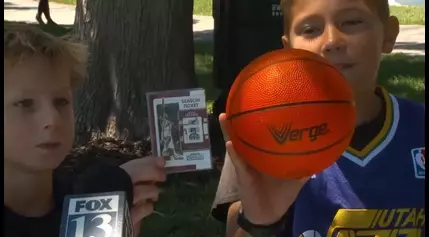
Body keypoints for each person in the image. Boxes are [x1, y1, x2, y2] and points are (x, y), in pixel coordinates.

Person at [210, 0, 425, 236]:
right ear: (288, 49)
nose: (332, 41)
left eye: (351, 22)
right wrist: (261, 221)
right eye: (310, 30)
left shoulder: (418, 127)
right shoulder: (259, 132)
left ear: (388, 34)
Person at [4, 24, 166, 237]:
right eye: (25, 103)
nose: (52, 119)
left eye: (61, 101)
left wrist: (115, 225)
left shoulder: (83, 200)